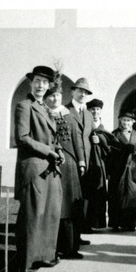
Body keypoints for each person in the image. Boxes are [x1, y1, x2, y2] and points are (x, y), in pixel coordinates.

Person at [14, 65, 65, 272]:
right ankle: (25, 262)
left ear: (49, 85)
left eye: (45, 82)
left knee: (50, 213)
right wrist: (49, 152)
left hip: (50, 168)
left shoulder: (44, 107)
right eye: (37, 81)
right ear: (31, 83)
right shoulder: (24, 106)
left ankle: (44, 256)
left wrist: (59, 150)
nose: (41, 86)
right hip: (34, 167)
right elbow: (23, 138)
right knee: (33, 214)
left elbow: (53, 138)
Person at [44, 87, 85, 260]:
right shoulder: (44, 115)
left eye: (58, 95)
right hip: (51, 165)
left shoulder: (69, 115)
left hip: (70, 167)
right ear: (47, 98)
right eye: (51, 96)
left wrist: (81, 161)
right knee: (57, 208)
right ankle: (55, 248)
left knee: (71, 208)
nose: (55, 99)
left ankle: (71, 248)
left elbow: (77, 140)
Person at [107, 108, 136, 232]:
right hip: (118, 170)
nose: (126, 123)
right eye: (124, 120)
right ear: (120, 121)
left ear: (133, 122)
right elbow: (109, 152)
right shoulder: (114, 134)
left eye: (128, 121)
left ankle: (131, 223)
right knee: (116, 196)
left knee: (133, 196)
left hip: (132, 169)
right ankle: (115, 223)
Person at [65, 77, 94, 242]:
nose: (83, 94)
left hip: (87, 163)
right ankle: (69, 238)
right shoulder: (65, 110)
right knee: (71, 201)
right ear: (72, 92)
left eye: (85, 92)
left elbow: (88, 137)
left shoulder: (89, 114)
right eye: (80, 90)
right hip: (71, 161)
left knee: (82, 201)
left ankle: (77, 235)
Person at [85, 98, 119, 229]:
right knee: (87, 193)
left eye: (98, 109)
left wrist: (101, 141)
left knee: (99, 193)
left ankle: (97, 223)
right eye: (92, 109)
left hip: (100, 165)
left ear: (101, 112)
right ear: (89, 111)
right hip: (88, 163)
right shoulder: (85, 126)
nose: (95, 112)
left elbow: (112, 150)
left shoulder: (104, 130)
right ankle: (86, 224)